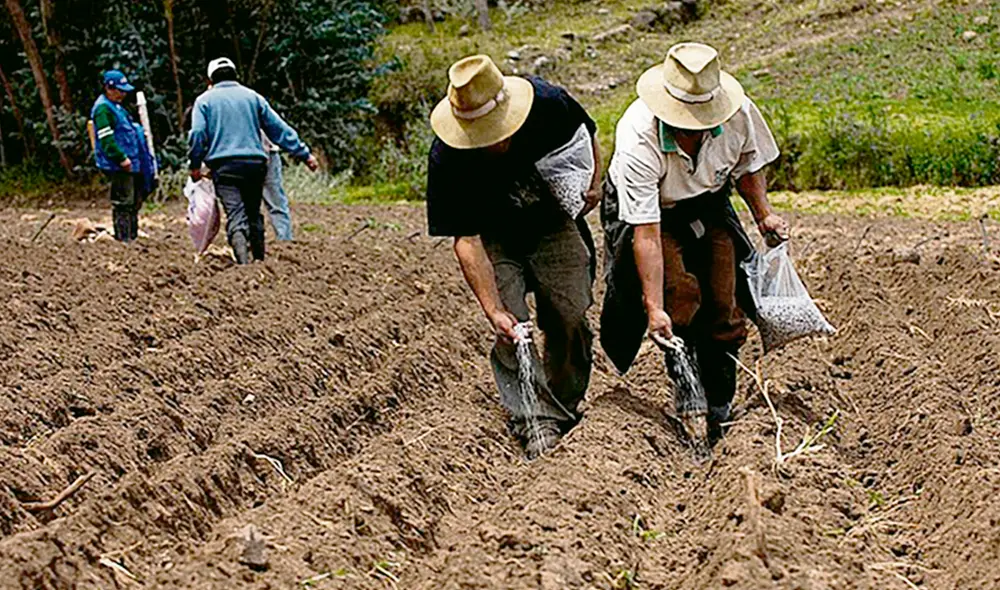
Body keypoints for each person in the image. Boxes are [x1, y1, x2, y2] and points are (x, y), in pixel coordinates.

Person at [601, 43, 789, 443]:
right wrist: (654, 308)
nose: (697, 125)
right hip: (653, 212)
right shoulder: (639, 136)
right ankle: (688, 393)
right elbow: (647, 235)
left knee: (725, 300)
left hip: (707, 199)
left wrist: (763, 214)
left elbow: (748, 165)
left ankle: (719, 404)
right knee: (679, 295)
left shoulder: (738, 114)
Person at [426, 55, 602, 459]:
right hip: (495, 236)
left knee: (571, 312)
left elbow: (586, 135)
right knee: (513, 326)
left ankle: (562, 404)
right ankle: (533, 419)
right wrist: (493, 310)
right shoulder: (447, 156)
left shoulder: (549, 104)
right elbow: (467, 242)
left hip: (553, 221)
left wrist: (592, 184)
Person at [188, 57, 318, 263]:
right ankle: (259, 259)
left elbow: (197, 133)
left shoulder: (204, 101)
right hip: (255, 165)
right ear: (235, 75)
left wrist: (195, 165)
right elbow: (278, 129)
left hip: (224, 166)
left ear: (210, 79)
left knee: (235, 214)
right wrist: (304, 154)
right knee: (253, 213)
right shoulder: (253, 97)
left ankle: (243, 262)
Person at [90, 70, 154, 242]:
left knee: (134, 201)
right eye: (119, 90)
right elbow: (106, 139)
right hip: (118, 165)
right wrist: (121, 158)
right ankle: (124, 239)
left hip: (131, 162)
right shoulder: (103, 109)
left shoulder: (117, 107)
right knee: (123, 203)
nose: (123, 94)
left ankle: (132, 236)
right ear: (109, 88)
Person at [262, 132, 294, 241]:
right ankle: (284, 241)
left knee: (244, 205)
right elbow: (278, 128)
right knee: (276, 202)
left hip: (236, 155)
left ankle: (246, 245)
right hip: (266, 152)